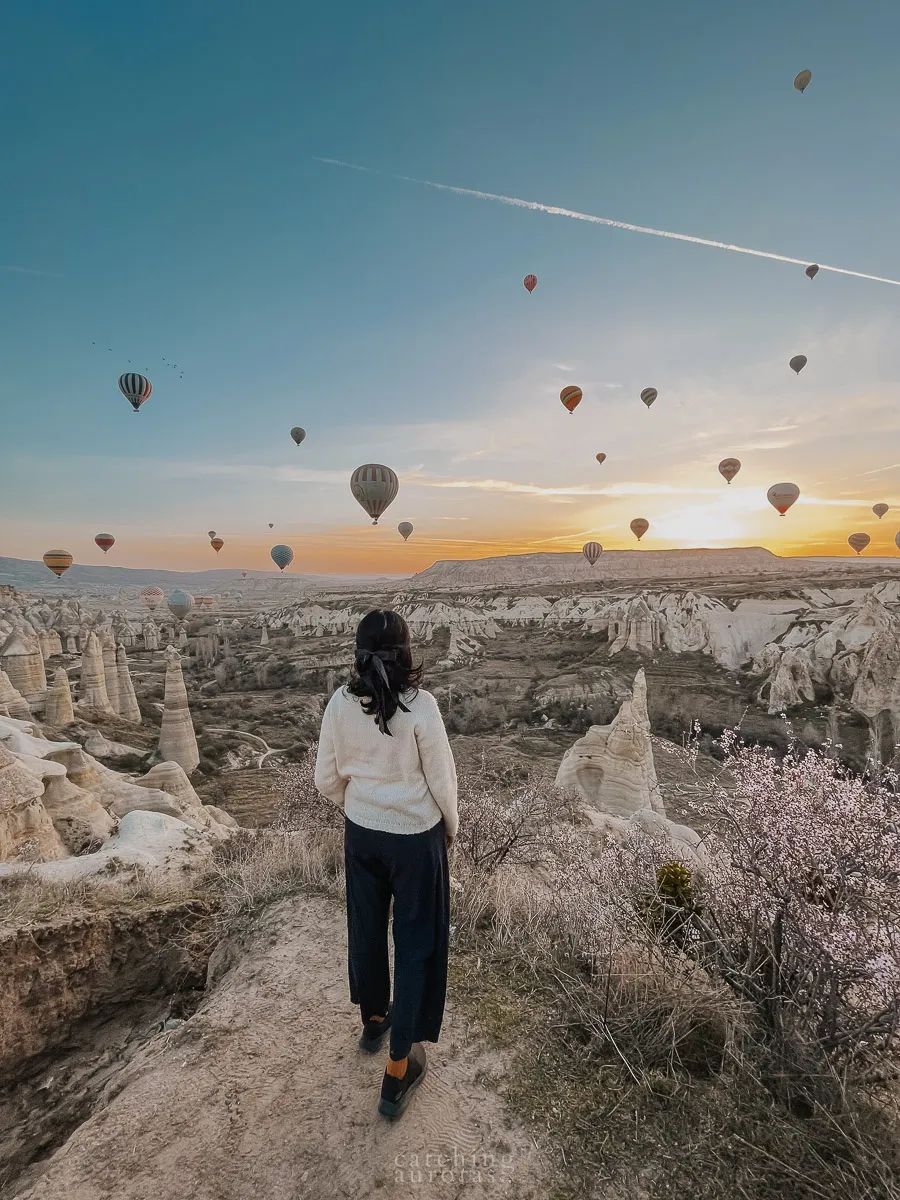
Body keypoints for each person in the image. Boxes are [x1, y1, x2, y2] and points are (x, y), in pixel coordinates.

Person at [315, 609, 459, 1119]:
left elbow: (325, 778)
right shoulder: (421, 707)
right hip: (414, 839)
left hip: (362, 835)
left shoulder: (339, 702)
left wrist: (361, 807)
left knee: (368, 929)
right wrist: (449, 826)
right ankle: (398, 1071)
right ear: (406, 651)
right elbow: (442, 781)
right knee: (417, 941)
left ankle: (374, 1019)